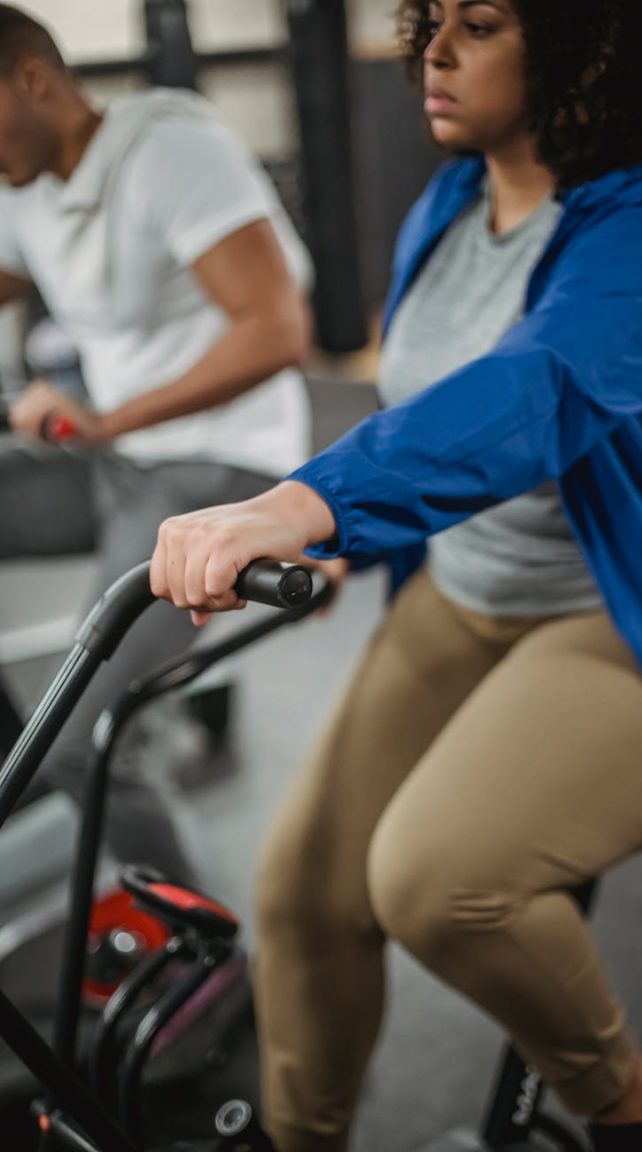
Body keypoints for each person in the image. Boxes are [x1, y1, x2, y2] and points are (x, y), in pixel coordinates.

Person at [150, 0, 642, 1148]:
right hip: (472, 590)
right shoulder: (453, 199)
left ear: (590, 42)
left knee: (438, 881)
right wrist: (345, 540)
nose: (432, 51)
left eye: (478, 23)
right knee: (304, 895)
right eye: (429, 18)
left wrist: (303, 504)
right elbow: (422, 405)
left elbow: (532, 395)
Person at [0, 4, 313, 886]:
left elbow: (278, 329)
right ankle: (11, 775)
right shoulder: (28, 183)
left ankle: (207, 969)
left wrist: (108, 420)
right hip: (119, 463)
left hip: (219, 468)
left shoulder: (169, 151)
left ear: (32, 79)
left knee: (84, 744)